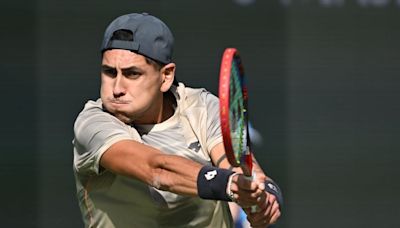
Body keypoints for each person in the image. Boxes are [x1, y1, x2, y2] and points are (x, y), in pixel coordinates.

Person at [73, 12, 282, 228]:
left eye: (132, 74)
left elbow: (235, 166)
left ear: (166, 76)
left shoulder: (201, 107)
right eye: (109, 72)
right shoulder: (92, 124)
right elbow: (158, 170)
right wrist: (229, 184)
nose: (116, 89)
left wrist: (262, 193)